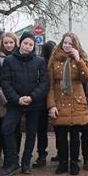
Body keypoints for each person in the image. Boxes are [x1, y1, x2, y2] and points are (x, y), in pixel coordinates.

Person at [0, 32, 49, 176]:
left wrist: (32, 97)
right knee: (7, 129)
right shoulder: (9, 60)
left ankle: (26, 163)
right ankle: (13, 161)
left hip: (34, 103)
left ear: (34, 46)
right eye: (25, 43)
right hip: (15, 103)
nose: (27, 46)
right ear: (20, 43)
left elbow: (44, 83)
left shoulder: (39, 61)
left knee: (31, 133)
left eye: (31, 44)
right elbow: (6, 82)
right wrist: (17, 99)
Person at [47, 32, 88, 175]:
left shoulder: (81, 58)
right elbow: (50, 85)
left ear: (75, 45)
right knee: (60, 136)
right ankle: (63, 162)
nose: (67, 46)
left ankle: (74, 163)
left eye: (70, 44)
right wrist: (51, 105)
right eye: (65, 43)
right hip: (60, 101)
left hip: (76, 101)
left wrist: (78, 60)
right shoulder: (55, 59)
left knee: (74, 136)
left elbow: (87, 77)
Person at [0, 31, 17, 162]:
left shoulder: (19, 57)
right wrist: (2, 97)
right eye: (6, 42)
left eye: (11, 42)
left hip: (15, 99)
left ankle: (11, 155)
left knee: (13, 130)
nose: (8, 45)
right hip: (0, 98)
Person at [33, 40, 55, 168]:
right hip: (53, 98)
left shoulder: (39, 62)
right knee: (59, 129)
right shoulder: (54, 63)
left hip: (41, 99)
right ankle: (60, 153)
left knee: (41, 129)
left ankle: (41, 154)